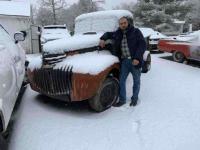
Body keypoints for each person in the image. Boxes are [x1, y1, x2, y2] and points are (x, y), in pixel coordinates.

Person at [99, 16, 146, 107]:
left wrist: (137, 58)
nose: (123, 25)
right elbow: (108, 34)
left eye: (124, 23)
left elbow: (142, 45)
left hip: (135, 61)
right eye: (121, 24)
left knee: (136, 81)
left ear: (128, 23)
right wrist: (102, 39)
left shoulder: (136, 31)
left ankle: (134, 99)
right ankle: (122, 100)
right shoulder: (118, 33)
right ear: (119, 25)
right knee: (121, 81)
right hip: (124, 61)